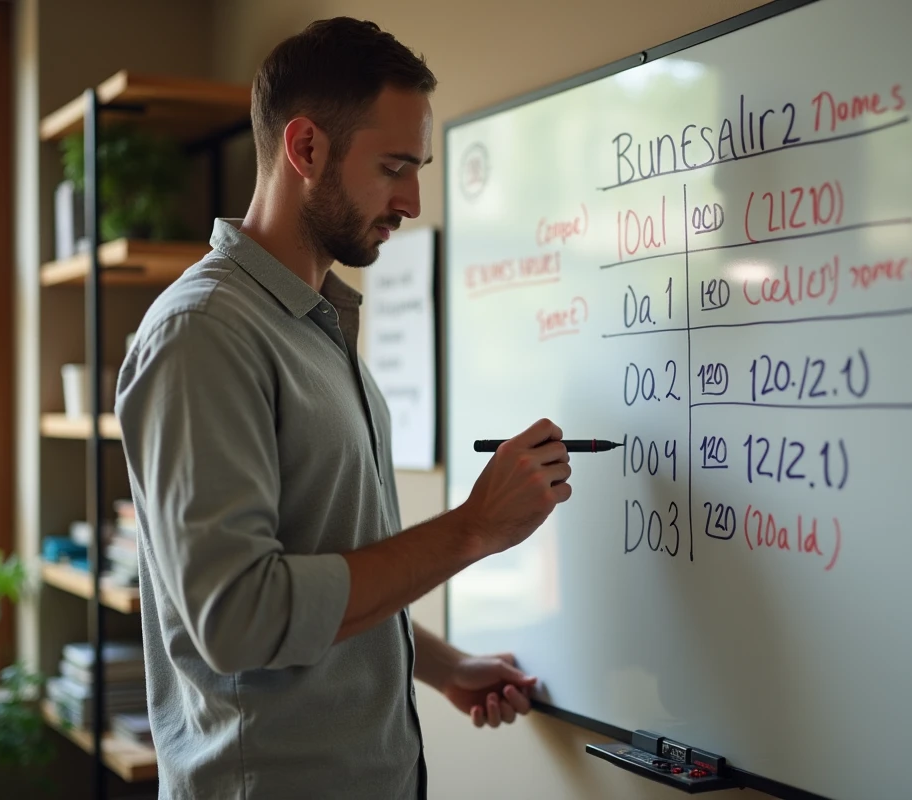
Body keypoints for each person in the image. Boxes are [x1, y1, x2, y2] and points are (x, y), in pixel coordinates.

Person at [114, 17, 572, 800]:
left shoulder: (318, 325)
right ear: (305, 149)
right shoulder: (205, 335)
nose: (413, 199)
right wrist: (472, 528)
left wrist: (440, 663)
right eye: (394, 166)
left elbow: (325, 561)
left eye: (418, 167)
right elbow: (240, 619)